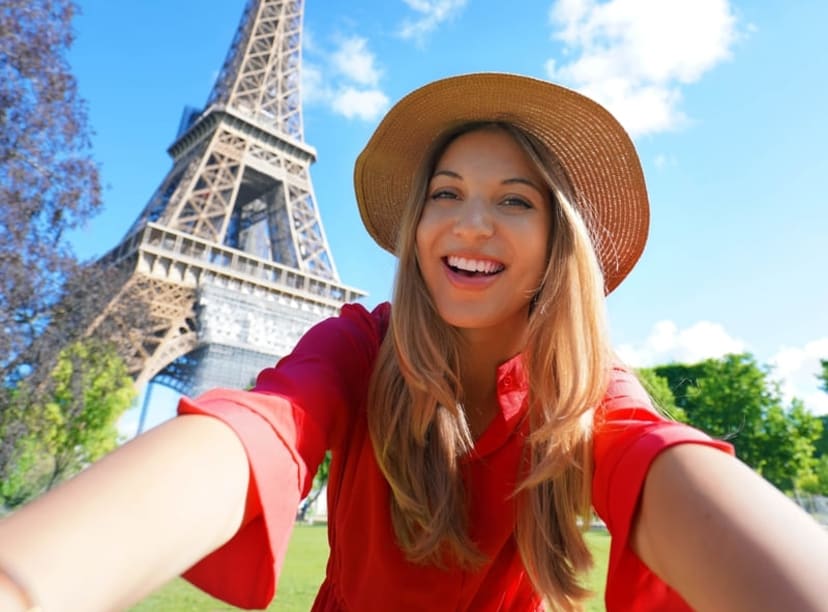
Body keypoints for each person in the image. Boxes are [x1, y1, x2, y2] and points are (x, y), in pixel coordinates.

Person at [0, 73, 826, 612]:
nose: (470, 222)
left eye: (514, 201)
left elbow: (661, 463)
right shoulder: (357, 347)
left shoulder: (583, 385)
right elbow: (262, 428)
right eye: (446, 193)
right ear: (418, 223)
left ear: (558, 244)